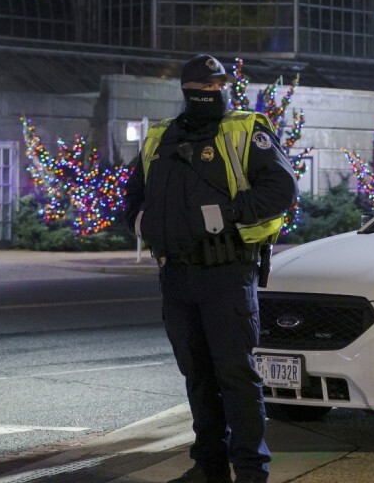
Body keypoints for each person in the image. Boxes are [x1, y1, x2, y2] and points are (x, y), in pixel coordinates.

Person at [124, 54, 297, 483]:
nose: (210, 94)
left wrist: (231, 213)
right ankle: (209, 465)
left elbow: (282, 187)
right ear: (186, 90)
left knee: (236, 376)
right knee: (197, 376)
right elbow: (132, 195)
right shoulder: (160, 137)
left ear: (227, 87)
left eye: (218, 86)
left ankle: (251, 470)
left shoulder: (244, 129)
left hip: (227, 273)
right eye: (203, 88)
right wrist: (142, 222)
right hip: (177, 275)